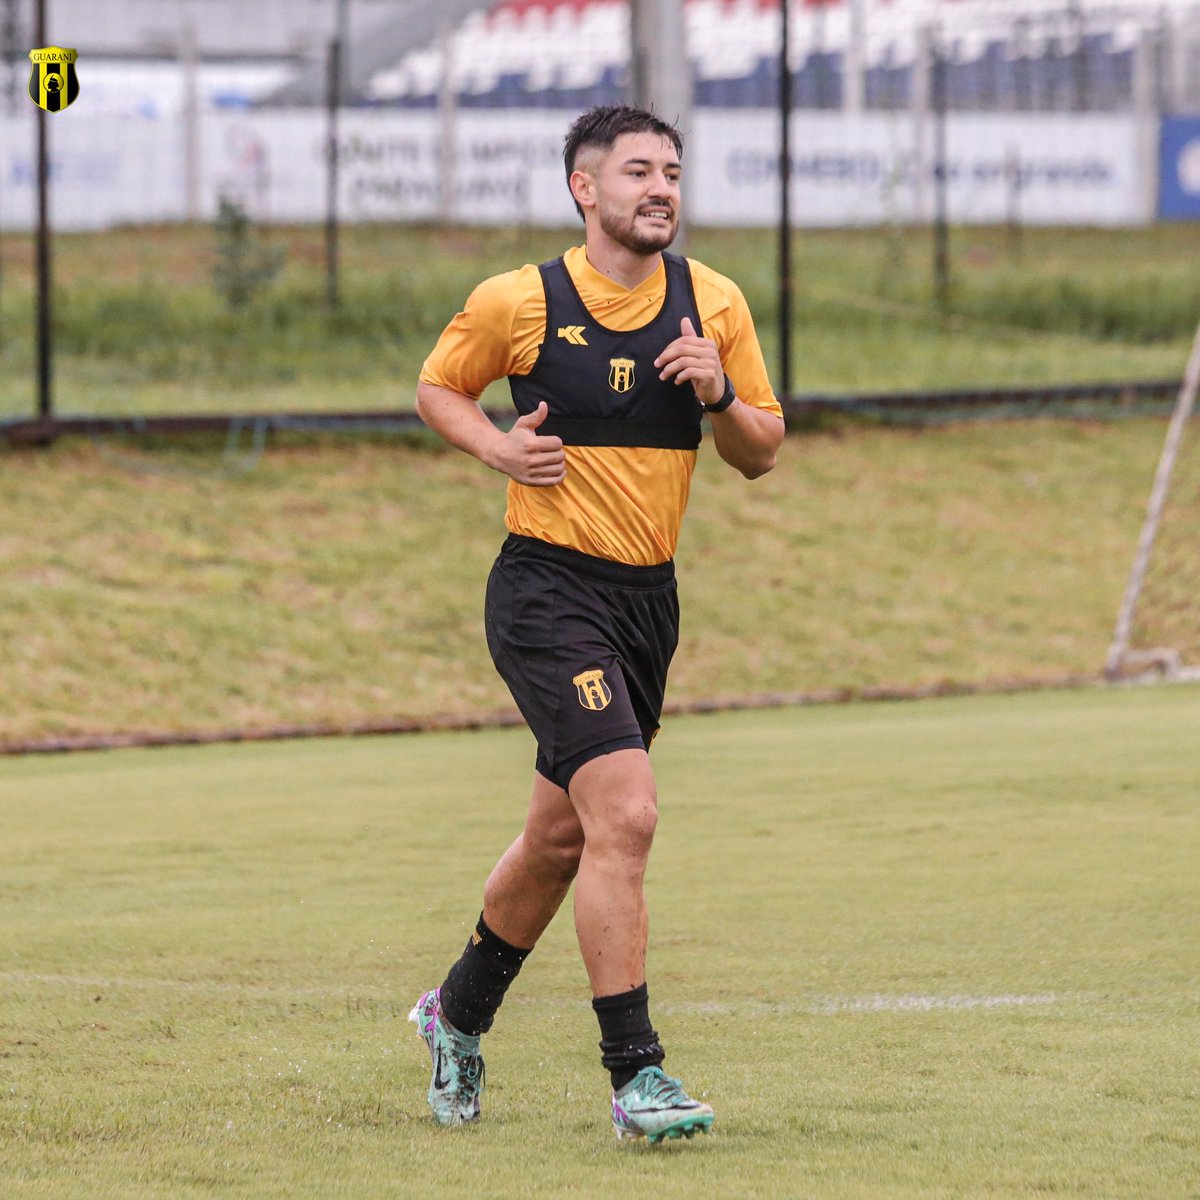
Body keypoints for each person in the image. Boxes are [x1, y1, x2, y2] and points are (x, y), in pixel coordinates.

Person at [409, 104, 785, 1143]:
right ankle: (639, 1076)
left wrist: (718, 394)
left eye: (672, 170)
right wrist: (496, 450)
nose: (660, 187)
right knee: (628, 814)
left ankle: (457, 1014)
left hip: (646, 603)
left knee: (561, 835)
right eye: (637, 172)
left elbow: (762, 450)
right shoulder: (520, 299)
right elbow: (439, 389)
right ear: (586, 188)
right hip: (546, 590)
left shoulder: (714, 304)